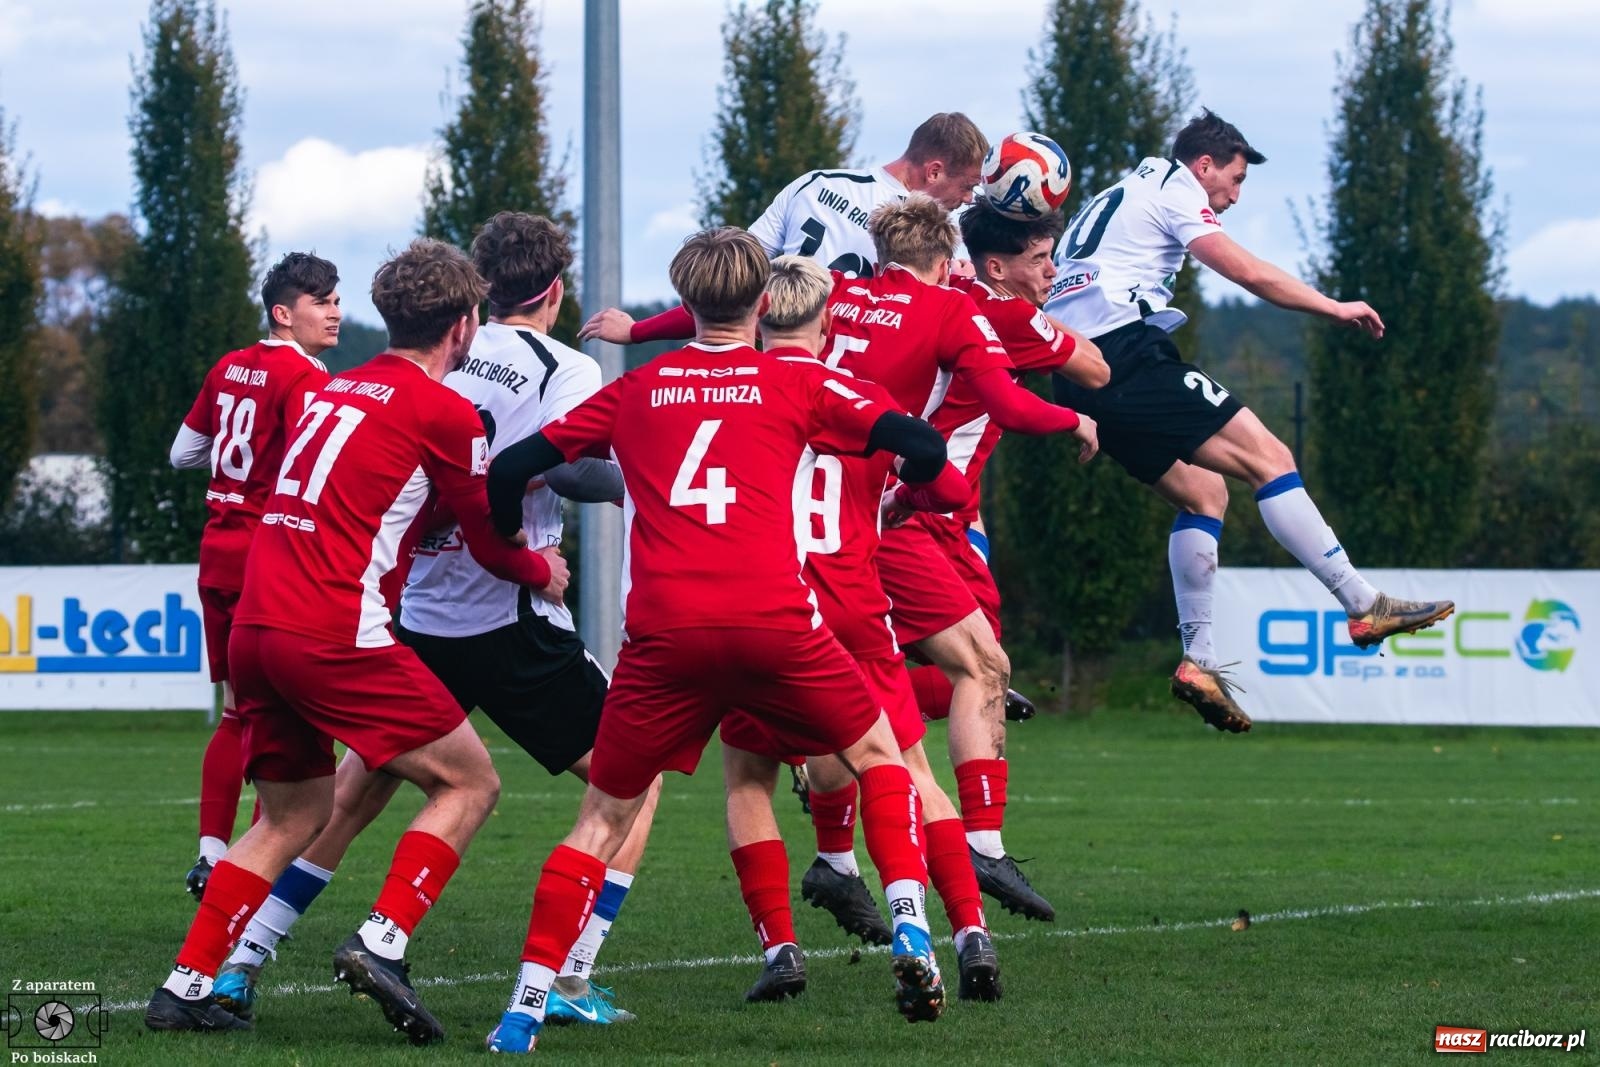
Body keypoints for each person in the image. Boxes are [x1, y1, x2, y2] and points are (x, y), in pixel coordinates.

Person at [481, 228, 957, 1053]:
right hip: (775, 621)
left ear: (688, 303)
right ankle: (912, 931)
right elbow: (921, 444)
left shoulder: (637, 389)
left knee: (601, 817)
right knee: (882, 759)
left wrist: (515, 549)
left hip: (663, 634)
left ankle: (523, 1007)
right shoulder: (792, 384)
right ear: (764, 305)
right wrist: (902, 496)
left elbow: (508, 468)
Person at [206, 213, 655, 1028]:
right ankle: (566, 974)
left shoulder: (423, 357)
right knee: (631, 783)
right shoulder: (566, 364)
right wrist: (635, 479)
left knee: (347, 797)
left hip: (410, 611)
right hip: (511, 612)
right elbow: (569, 463)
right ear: (553, 290)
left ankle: (241, 961)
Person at [143, 239, 566, 1044]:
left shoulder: (334, 386)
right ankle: (383, 939)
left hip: (258, 627)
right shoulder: (441, 409)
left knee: (290, 813)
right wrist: (538, 566)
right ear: (465, 325)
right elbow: (485, 539)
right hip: (331, 629)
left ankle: (187, 983)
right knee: (471, 783)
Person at [1044, 109, 1454, 732]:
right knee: (1272, 460)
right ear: (1202, 165)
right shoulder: (1173, 187)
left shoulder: (1124, 190)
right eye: (1233, 181)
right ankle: (1362, 604)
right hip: (1124, 354)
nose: (1233, 197)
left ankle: (1199, 660)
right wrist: (1332, 307)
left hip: (1075, 368)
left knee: (1205, 493)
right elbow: (1246, 271)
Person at [717, 255, 1002, 1005]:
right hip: (850, 600)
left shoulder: (732, 391)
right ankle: (966, 930)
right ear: (831, 320)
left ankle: (781, 945)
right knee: (909, 765)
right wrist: (899, 494)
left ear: (754, 316)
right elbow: (948, 484)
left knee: (749, 775)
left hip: (767, 601)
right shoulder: (861, 397)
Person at [824, 194, 1096, 924]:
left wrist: (641, 328)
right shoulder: (964, 311)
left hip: (819, 516)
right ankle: (978, 843)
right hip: (895, 516)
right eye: (1040, 258)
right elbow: (1038, 392)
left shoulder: (841, 293)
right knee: (980, 667)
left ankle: (832, 863)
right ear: (955, 262)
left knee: (838, 690)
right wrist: (1075, 415)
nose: (1050, 270)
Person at [168, 252, 339, 900]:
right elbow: (314, 466)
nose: (333, 311)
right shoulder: (305, 375)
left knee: (236, 709)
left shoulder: (228, 365)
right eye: (320, 301)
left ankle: (213, 850)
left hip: (216, 554)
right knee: (293, 712)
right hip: (270, 562)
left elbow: (183, 452)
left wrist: (236, 466)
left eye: (334, 299)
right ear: (283, 312)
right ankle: (258, 858)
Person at [578, 112, 989, 346]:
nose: (969, 198)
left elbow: (730, 287)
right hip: (859, 389)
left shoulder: (815, 183)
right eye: (968, 185)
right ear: (934, 171)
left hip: (773, 372)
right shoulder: (937, 233)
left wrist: (637, 331)